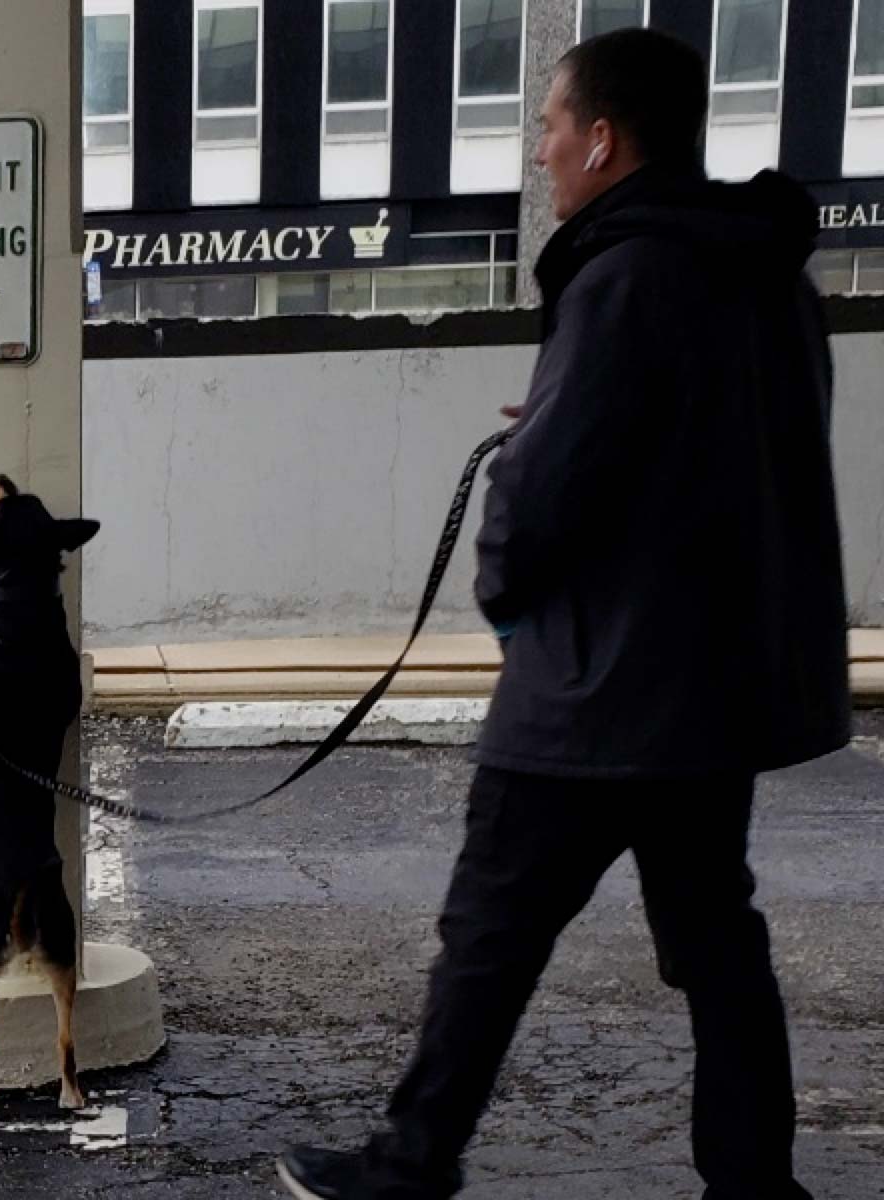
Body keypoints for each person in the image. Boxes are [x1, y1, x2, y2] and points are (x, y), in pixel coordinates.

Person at [278, 27, 850, 1200]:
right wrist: (566, 414)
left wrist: (510, 546)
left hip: (590, 693)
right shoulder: (771, 280)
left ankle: (411, 1161)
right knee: (719, 944)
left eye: (548, 127)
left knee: (489, 936)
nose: (539, 153)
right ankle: (756, 1183)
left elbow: (541, 501)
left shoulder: (625, 274)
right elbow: (734, 457)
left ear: (602, 137)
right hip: (711, 699)